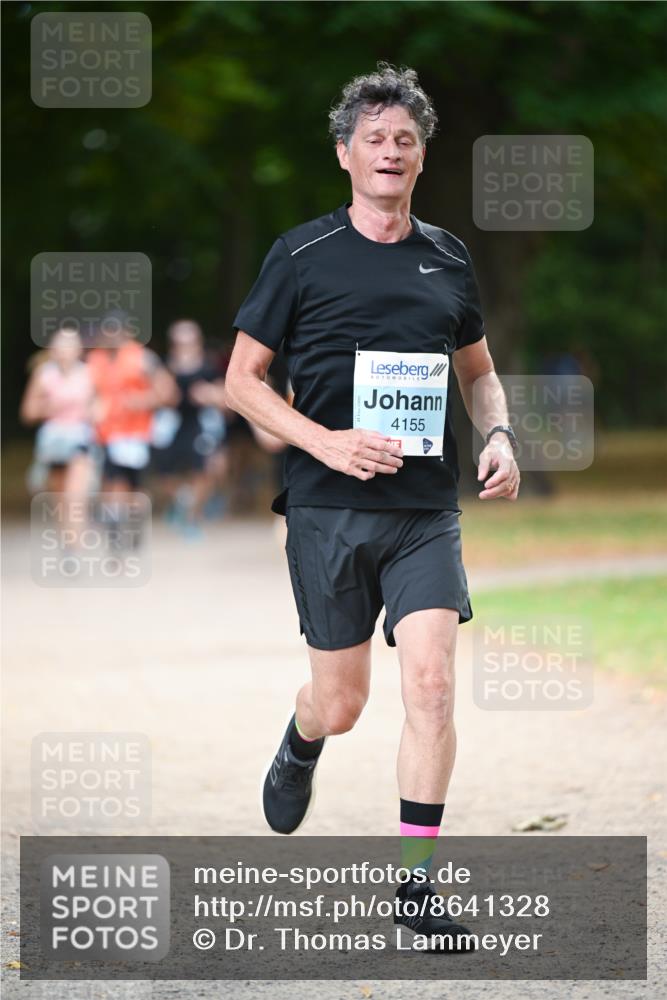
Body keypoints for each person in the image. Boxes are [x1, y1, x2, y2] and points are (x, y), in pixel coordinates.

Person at [225, 63, 520, 952]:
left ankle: (416, 888)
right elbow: (241, 382)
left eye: (406, 140)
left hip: (425, 509)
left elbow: (480, 373)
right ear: (345, 153)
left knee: (429, 683)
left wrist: (499, 437)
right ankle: (302, 739)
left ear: (421, 159)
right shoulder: (301, 254)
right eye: (375, 138)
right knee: (343, 701)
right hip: (327, 505)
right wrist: (325, 441)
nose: (390, 151)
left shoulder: (447, 255)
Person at [87, 312, 178, 494]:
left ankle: (126, 515)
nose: (111, 335)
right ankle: (114, 517)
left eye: (115, 330)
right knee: (109, 480)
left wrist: (143, 400)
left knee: (131, 483)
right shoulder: (94, 359)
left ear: (127, 332)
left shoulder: (143, 358)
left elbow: (170, 394)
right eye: (107, 330)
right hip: (102, 433)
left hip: (134, 434)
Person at [152, 319, 227, 535]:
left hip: (199, 424)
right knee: (163, 472)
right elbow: (158, 396)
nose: (185, 346)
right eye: (180, 342)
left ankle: (192, 517)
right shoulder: (166, 366)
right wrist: (167, 397)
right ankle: (182, 501)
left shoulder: (209, 366)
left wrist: (208, 395)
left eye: (190, 341)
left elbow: (225, 398)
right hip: (171, 425)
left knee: (204, 470)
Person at [21, 327, 94, 500]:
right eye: (61, 345)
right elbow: (27, 412)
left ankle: (76, 527)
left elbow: (99, 406)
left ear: (79, 350)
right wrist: (51, 407)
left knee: (75, 494)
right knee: (60, 496)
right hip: (53, 441)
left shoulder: (88, 373)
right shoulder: (44, 374)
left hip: (80, 438)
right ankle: (67, 528)